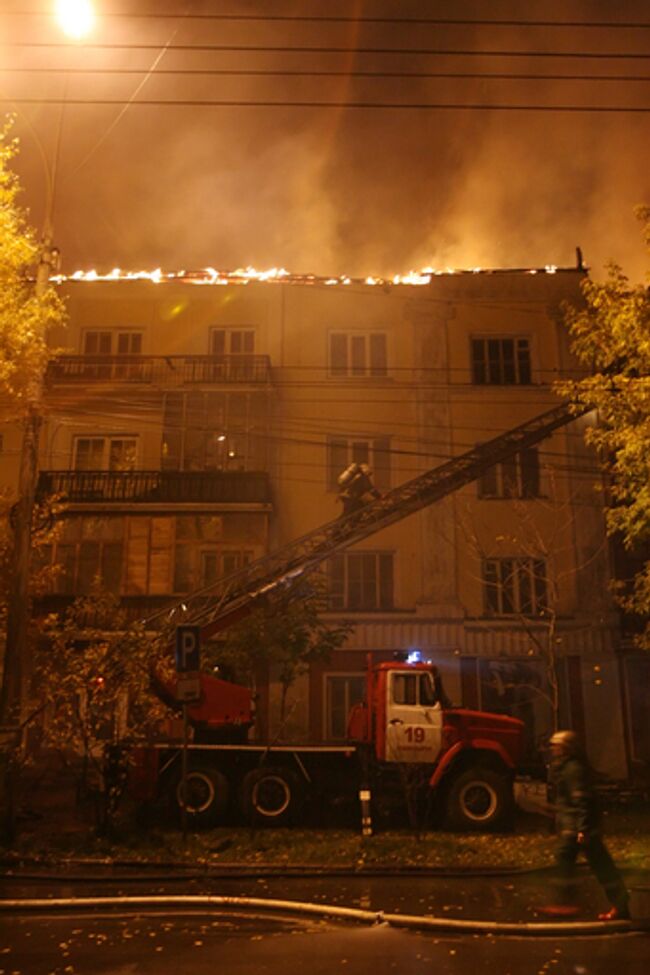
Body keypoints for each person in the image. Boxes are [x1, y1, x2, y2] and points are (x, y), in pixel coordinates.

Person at [541, 729, 630, 920]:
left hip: (580, 829)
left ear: (566, 748)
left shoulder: (573, 769)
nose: (553, 749)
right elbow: (569, 800)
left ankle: (568, 903)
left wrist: (583, 828)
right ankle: (567, 903)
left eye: (556, 746)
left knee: (598, 865)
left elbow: (582, 800)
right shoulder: (565, 767)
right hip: (574, 827)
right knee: (574, 859)